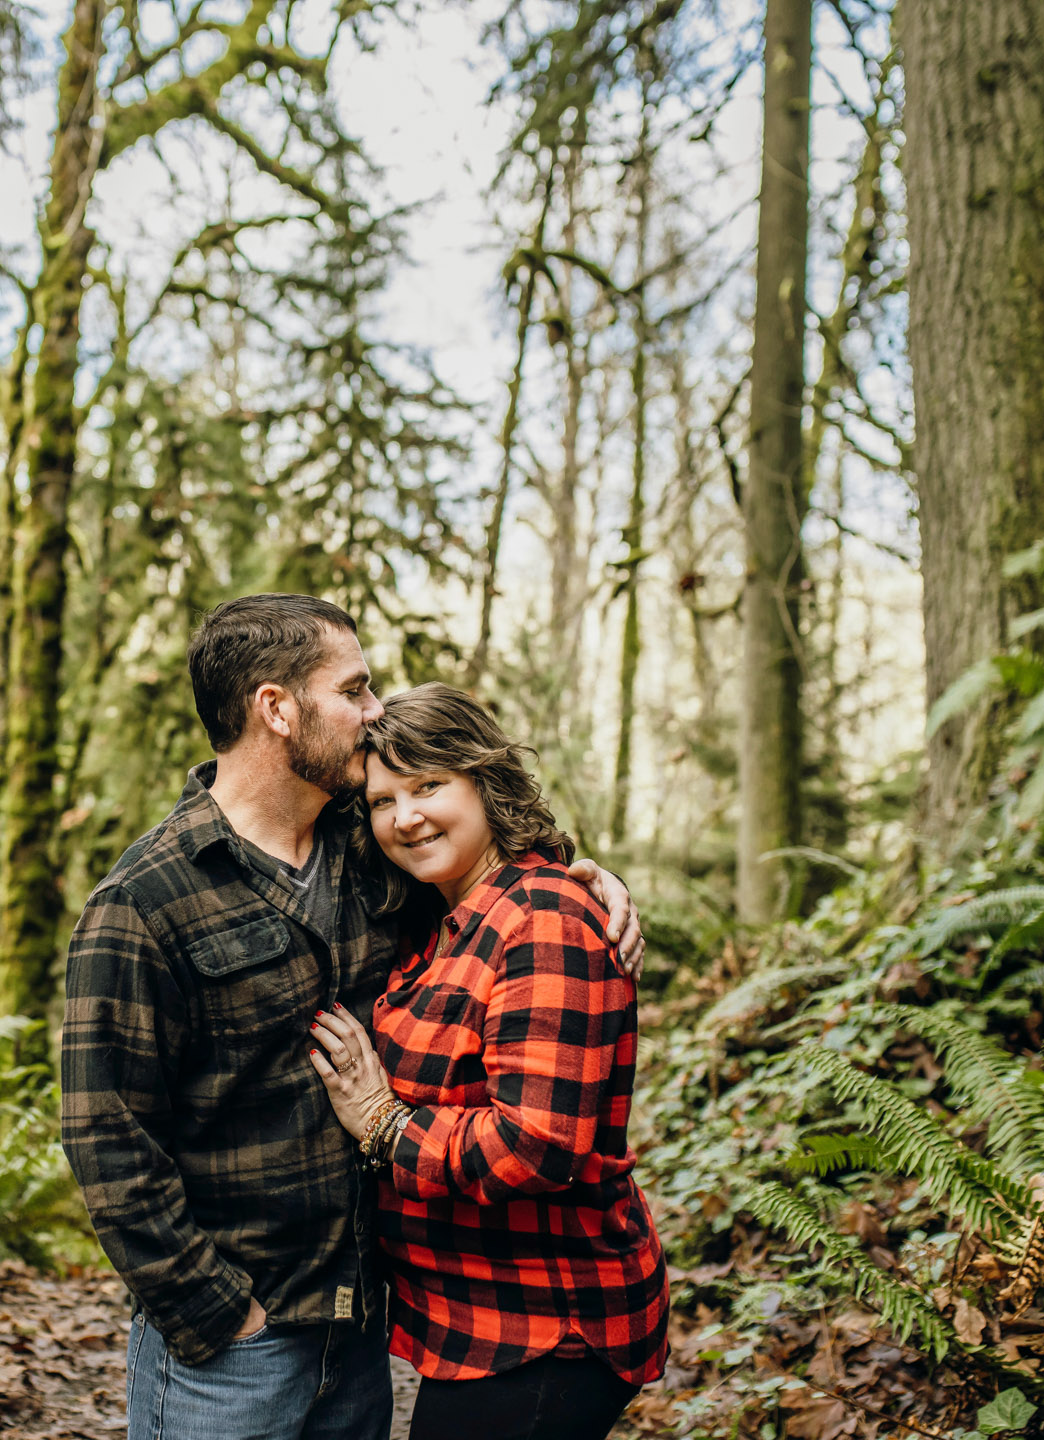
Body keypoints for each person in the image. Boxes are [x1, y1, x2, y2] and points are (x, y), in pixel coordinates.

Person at [60, 596, 644, 1440]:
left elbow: (493, 889)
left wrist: (586, 877)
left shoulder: (369, 847)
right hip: (233, 1356)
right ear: (276, 709)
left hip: (364, 1329)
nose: (376, 711)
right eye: (357, 690)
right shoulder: (144, 902)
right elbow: (104, 1134)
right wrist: (219, 1312)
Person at [307, 682, 668, 1440]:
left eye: (428, 785)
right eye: (381, 801)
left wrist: (383, 1125)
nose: (404, 817)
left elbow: (534, 1148)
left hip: (547, 1326)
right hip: (476, 1320)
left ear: (484, 779)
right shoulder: (441, 920)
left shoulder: (544, 919)